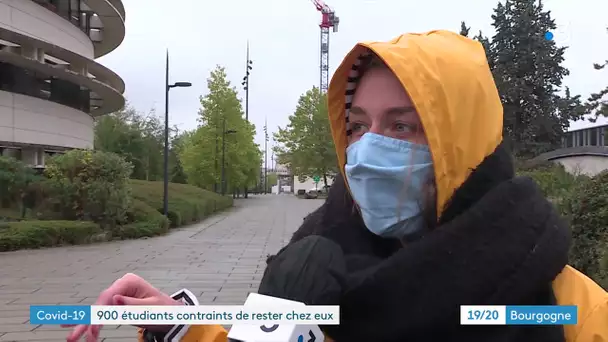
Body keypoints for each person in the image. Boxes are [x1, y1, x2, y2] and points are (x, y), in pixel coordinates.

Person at [64, 30, 608, 342]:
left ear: (461, 143)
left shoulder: (569, 309)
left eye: (402, 125)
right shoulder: (314, 262)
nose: (368, 149)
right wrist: (178, 323)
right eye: (356, 127)